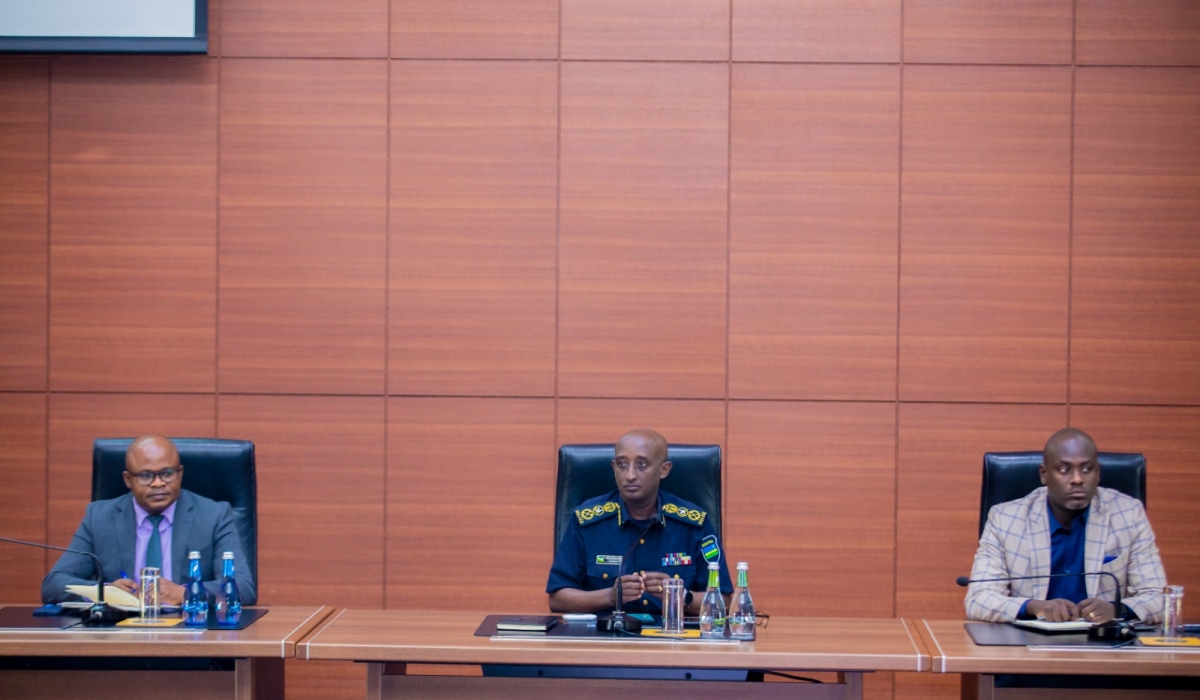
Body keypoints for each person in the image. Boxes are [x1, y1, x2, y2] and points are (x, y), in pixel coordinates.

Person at [965, 428, 1166, 624]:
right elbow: (978, 599)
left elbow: (1159, 598)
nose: (1077, 479)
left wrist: (1116, 609)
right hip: (1029, 644)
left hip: (1104, 643)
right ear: (1044, 474)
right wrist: (1035, 607)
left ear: (1098, 473)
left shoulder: (1128, 514)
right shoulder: (1005, 519)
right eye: (1064, 469)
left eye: (1086, 469)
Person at [42, 434, 256, 606]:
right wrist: (104, 592)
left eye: (167, 473)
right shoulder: (99, 517)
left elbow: (243, 588)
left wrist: (186, 593)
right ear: (128, 479)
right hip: (119, 637)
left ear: (180, 473)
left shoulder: (214, 515)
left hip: (190, 633)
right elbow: (54, 585)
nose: (157, 484)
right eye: (145, 476)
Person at [547, 429, 732, 616]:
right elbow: (558, 598)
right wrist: (609, 597)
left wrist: (680, 595)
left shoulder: (695, 524)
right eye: (621, 464)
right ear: (613, 467)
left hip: (674, 638)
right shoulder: (586, 521)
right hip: (607, 638)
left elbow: (723, 601)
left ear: (664, 469)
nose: (629, 475)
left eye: (642, 465)